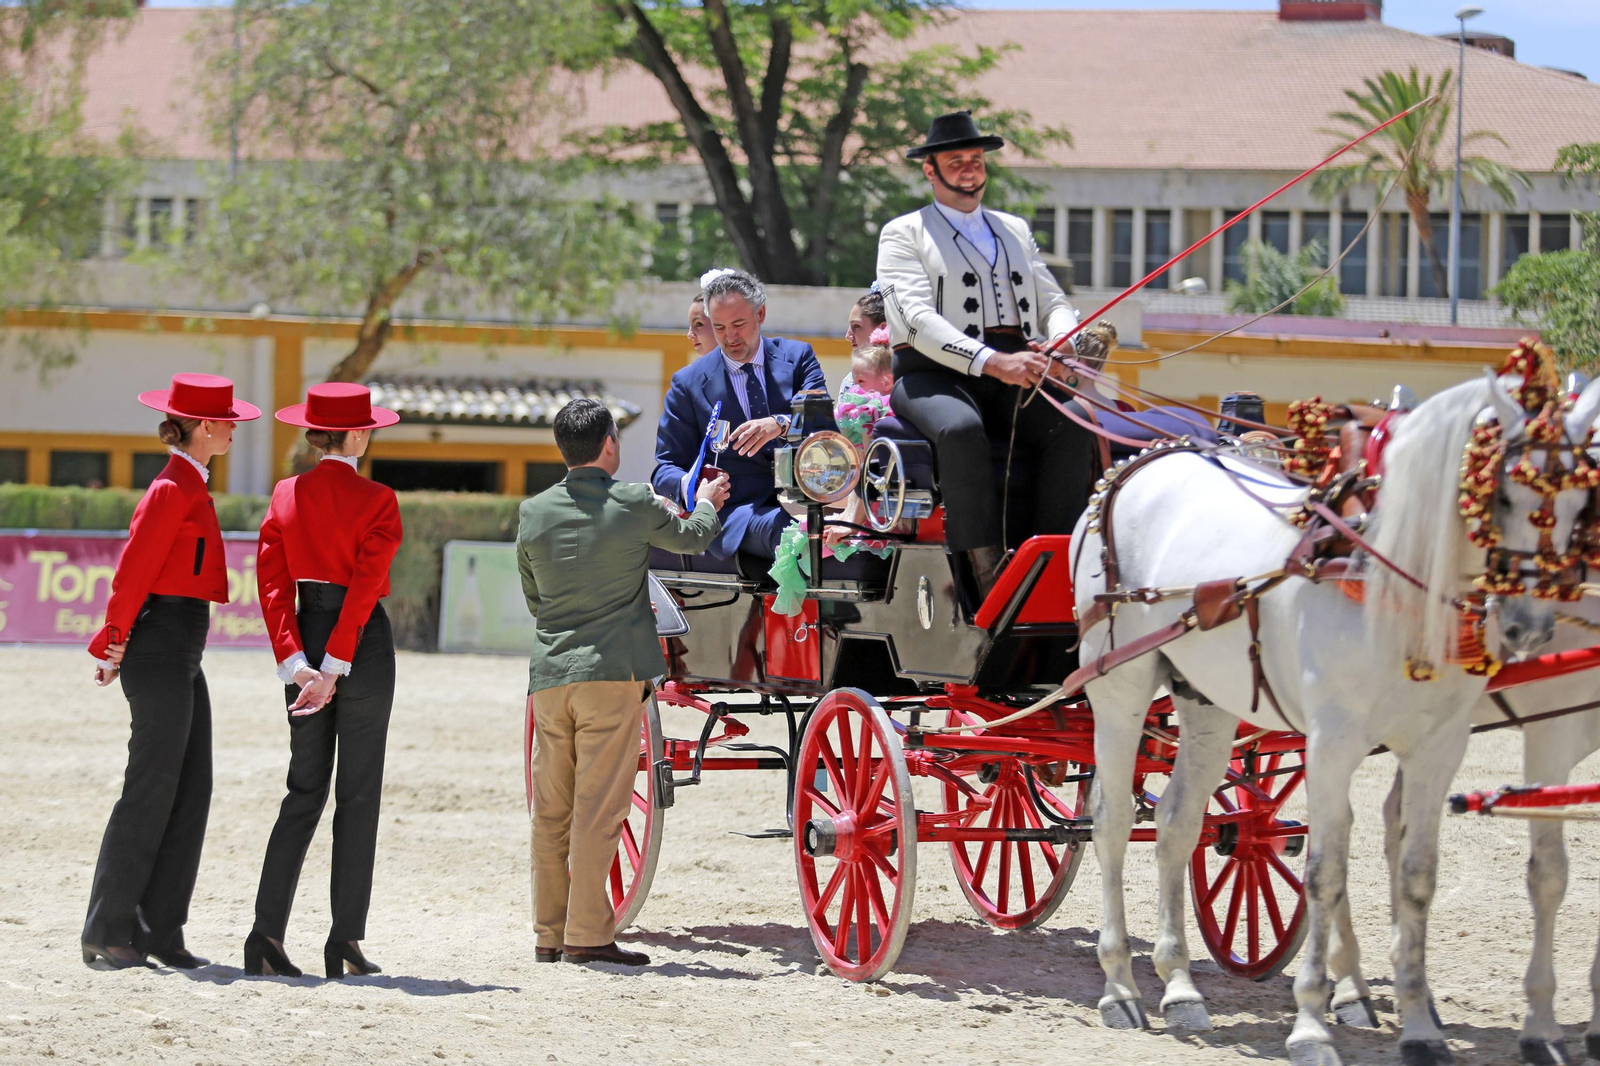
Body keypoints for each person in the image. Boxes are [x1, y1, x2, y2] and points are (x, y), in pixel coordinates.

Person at [519, 399, 728, 967]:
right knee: (598, 808)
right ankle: (588, 934)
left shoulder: (533, 511)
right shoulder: (634, 501)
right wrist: (708, 503)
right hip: (611, 673)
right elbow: (692, 538)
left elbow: (534, 597)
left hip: (550, 675)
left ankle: (548, 934)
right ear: (610, 444)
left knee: (552, 809)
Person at [876, 110, 1104, 600]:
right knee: (960, 429)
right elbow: (915, 320)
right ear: (930, 170)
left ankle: (1052, 564)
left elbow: (1054, 302)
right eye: (955, 161)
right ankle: (986, 576)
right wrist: (993, 362)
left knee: (1074, 421)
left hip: (1014, 369)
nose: (969, 170)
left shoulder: (1014, 229)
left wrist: (1060, 342)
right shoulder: (903, 233)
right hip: (932, 375)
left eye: (975, 160)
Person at [82, 373, 262, 971]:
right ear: (204, 426)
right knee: (150, 787)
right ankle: (108, 929)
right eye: (228, 420)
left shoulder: (190, 482)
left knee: (191, 787)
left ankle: (160, 929)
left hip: (182, 645)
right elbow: (133, 572)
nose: (234, 429)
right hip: (160, 643)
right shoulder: (170, 487)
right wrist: (113, 642)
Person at [247, 382, 404, 980]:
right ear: (357, 434)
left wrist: (296, 662)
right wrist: (338, 664)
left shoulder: (285, 492)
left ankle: (264, 935)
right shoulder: (379, 499)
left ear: (316, 435)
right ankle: (343, 942)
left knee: (302, 791)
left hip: (305, 639)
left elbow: (270, 585)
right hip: (361, 646)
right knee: (357, 797)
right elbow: (364, 587)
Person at [651, 269, 831, 561]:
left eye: (738, 324)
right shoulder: (688, 383)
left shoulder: (798, 357)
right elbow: (666, 467)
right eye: (719, 328)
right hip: (737, 513)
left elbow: (824, 423)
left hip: (809, 501)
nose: (730, 337)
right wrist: (698, 489)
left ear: (761, 314)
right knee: (794, 537)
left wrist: (782, 424)